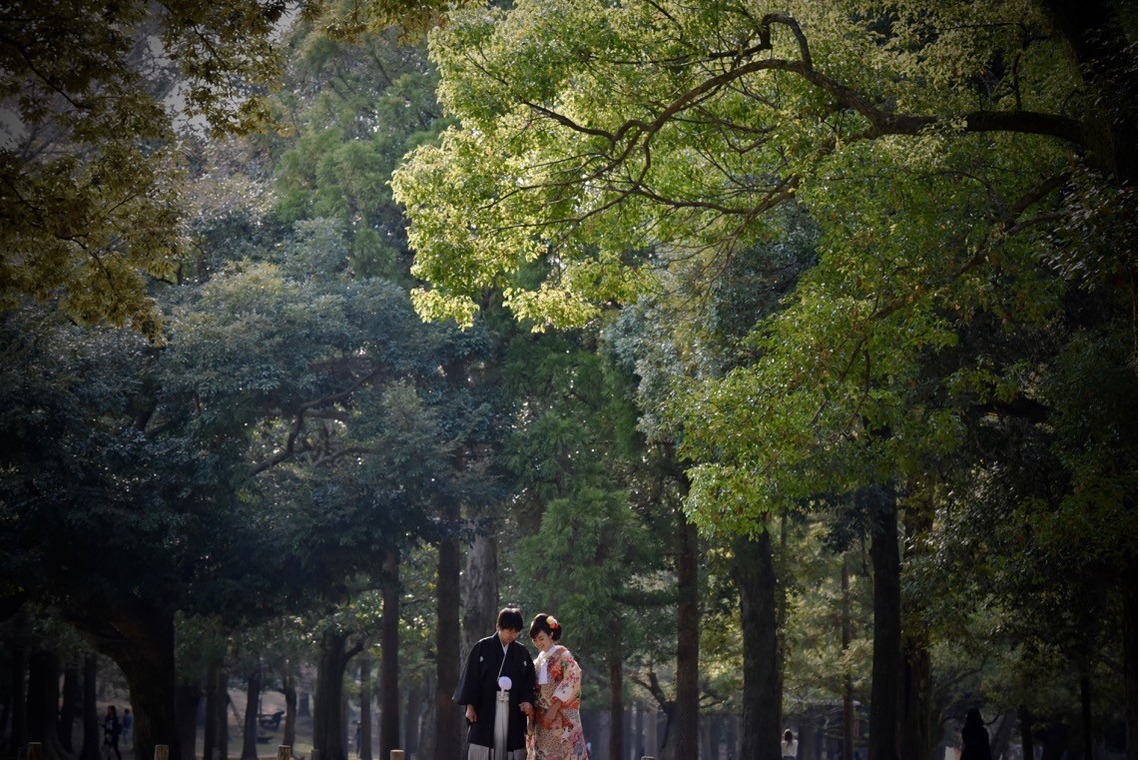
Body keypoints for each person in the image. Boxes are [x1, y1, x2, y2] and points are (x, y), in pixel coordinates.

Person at [455, 607, 536, 760]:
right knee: (484, 743)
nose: (512, 635)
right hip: (486, 707)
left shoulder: (521, 652)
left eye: (516, 632)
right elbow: (471, 678)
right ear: (499, 627)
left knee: (511, 743)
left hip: (512, 707)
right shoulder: (482, 647)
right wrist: (470, 706)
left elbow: (528, 681)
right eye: (509, 631)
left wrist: (526, 700)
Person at [527, 613, 589, 760]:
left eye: (541, 638)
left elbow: (572, 678)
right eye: (535, 640)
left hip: (561, 715)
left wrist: (554, 708)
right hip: (543, 718)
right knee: (543, 753)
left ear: (551, 634)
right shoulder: (537, 662)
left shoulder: (563, 655)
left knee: (564, 752)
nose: (538, 643)